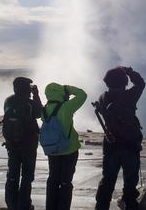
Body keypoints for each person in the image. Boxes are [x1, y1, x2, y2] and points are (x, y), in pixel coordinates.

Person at [95, 67, 146, 210]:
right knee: (130, 185)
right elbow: (140, 84)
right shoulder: (130, 96)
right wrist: (129, 71)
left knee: (107, 182)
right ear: (124, 81)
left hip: (111, 146)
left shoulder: (102, 98)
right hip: (130, 147)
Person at [43, 82, 87, 210]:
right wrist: (67, 88)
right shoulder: (67, 107)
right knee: (65, 182)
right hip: (69, 149)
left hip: (52, 150)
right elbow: (82, 95)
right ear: (61, 93)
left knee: (53, 180)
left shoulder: (44, 109)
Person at [3, 77, 43, 210]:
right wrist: (36, 95)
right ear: (27, 88)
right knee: (27, 175)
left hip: (11, 143)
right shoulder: (30, 103)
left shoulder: (8, 101)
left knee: (12, 174)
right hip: (28, 143)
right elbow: (40, 113)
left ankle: (11, 204)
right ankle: (24, 204)